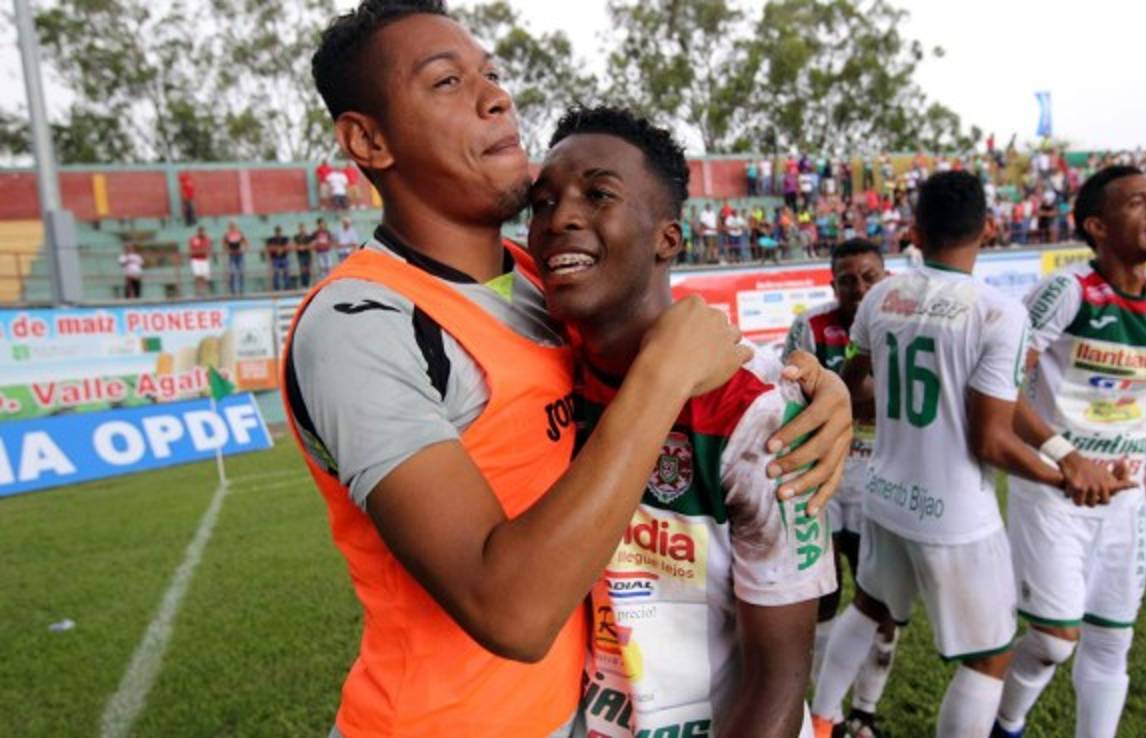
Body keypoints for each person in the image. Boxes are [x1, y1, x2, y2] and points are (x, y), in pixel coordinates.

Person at [285, 4, 852, 737]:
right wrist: (663, 378)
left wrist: (807, 384)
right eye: (447, 82)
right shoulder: (361, 325)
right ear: (368, 138)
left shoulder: (538, 281)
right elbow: (511, 612)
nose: (495, 97)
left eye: (492, 75)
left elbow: (661, 334)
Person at [529, 103, 835, 738]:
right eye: (543, 202)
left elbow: (777, 677)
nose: (561, 218)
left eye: (598, 194)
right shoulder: (538, 375)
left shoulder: (757, 411)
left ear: (668, 238)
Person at [812, 172, 1122, 738]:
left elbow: (854, 379)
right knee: (988, 661)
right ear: (989, 227)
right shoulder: (999, 312)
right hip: (954, 516)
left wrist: (1059, 451)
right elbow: (991, 440)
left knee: (870, 605)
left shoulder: (882, 295)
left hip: (884, 493)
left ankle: (821, 721)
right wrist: (1064, 480)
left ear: (913, 230)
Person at [993, 166, 1146, 738]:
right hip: (1055, 492)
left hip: (1127, 497)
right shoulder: (1067, 292)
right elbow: (999, 384)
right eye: (1139, 203)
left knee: (1112, 640)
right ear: (1097, 226)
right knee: (1055, 641)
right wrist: (1066, 455)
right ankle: (1003, 725)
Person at [783, 238, 895, 737]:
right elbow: (787, 400)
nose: (860, 288)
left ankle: (863, 714)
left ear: (886, 276)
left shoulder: (906, 329)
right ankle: (817, 712)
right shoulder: (810, 329)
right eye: (847, 279)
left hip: (882, 488)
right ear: (833, 284)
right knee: (820, 603)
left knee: (882, 607)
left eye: (870, 276)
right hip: (822, 481)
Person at [223, 220, 247, 295]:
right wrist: (228, 250)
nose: (232, 227)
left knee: (241, 272)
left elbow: (245, 243)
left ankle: (241, 290)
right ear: (229, 227)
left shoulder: (239, 233)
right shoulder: (227, 235)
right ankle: (233, 290)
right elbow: (224, 244)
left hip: (239, 255)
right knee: (232, 273)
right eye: (231, 226)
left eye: (233, 226)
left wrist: (243, 249)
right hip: (232, 256)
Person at [187, 225, 212, 297]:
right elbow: (192, 250)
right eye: (200, 231)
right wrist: (200, 251)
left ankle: (205, 292)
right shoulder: (193, 239)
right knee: (197, 276)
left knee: (205, 276)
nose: (201, 233)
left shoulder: (207, 239)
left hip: (204, 260)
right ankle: (198, 292)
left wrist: (201, 251)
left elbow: (207, 249)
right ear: (198, 232)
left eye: (203, 231)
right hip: (196, 260)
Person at [266, 226, 291, 291]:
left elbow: (289, 246)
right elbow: (268, 247)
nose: (278, 233)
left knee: (286, 272)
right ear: (275, 232)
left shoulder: (285, 239)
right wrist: (277, 249)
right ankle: (276, 288)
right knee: (276, 273)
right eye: (277, 232)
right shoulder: (271, 239)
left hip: (284, 258)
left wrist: (282, 249)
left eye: (279, 232)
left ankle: (287, 287)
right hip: (275, 258)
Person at [294, 222, 314, 288]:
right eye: (301, 228)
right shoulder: (296, 237)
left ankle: (307, 284)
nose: (302, 230)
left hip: (307, 254)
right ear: (299, 229)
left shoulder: (308, 236)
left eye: (303, 228)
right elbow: (294, 245)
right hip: (300, 255)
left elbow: (311, 244)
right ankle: (303, 284)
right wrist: (299, 247)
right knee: (302, 270)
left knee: (307, 269)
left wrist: (304, 247)